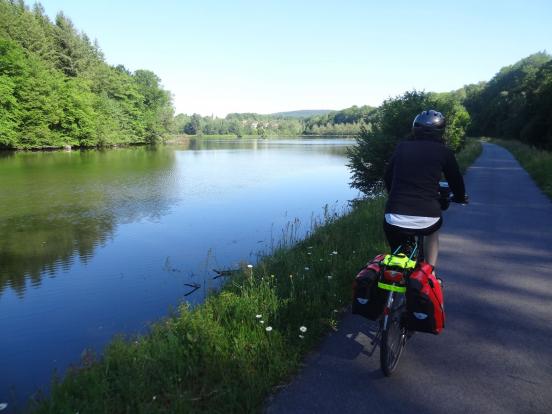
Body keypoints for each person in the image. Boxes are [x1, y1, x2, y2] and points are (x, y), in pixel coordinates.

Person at [383, 109, 468, 268]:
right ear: (441, 131)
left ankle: (398, 269)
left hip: (393, 215)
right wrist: (460, 197)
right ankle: (430, 273)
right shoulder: (444, 152)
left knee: (398, 253)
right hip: (428, 217)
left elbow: (387, 176)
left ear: (414, 129)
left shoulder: (402, 148)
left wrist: (392, 195)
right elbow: (456, 180)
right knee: (431, 234)